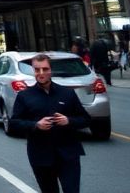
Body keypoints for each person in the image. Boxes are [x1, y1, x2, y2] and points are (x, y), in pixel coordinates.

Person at [10, 52, 90, 193]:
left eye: (45, 69)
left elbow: (85, 119)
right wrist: (36, 125)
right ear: (33, 71)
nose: (41, 73)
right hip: (41, 156)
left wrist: (68, 121)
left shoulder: (67, 93)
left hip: (68, 154)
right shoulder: (25, 96)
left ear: (51, 70)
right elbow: (14, 124)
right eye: (37, 69)